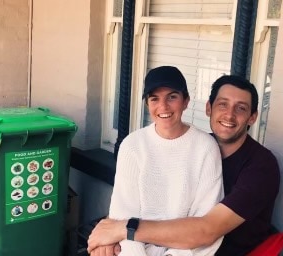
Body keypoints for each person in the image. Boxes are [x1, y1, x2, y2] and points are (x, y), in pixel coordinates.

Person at [88, 75, 280, 256]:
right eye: (222, 104)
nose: (229, 115)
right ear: (208, 108)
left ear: (253, 117)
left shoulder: (261, 166)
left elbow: (207, 230)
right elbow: (150, 204)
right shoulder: (198, 147)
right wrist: (112, 236)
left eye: (241, 108)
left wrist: (124, 229)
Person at [92, 65, 224, 256]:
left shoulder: (205, 147)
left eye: (172, 97)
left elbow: (204, 221)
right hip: (134, 248)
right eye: (154, 98)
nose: (163, 107)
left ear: (185, 101)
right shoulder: (133, 145)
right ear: (147, 104)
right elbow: (123, 215)